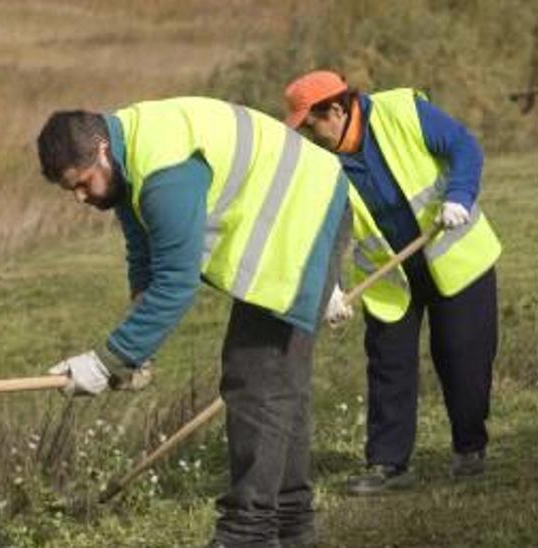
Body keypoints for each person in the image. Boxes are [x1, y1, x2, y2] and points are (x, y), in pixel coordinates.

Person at [35, 97, 350, 547]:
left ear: (101, 149)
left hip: (304, 215)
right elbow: (145, 254)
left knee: (256, 376)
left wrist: (108, 361)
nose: (83, 197)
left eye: (82, 184)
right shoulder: (129, 156)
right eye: (73, 192)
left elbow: (176, 283)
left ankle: (248, 532)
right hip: (305, 205)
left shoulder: (164, 172)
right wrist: (134, 355)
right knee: (280, 382)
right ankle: (290, 525)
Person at [283, 71, 500, 495]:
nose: (308, 134)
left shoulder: (402, 111)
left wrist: (459, 195)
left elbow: (463, 147)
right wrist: (329, 288)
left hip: (454, 254)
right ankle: (388, 463)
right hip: (390, 278)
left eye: (312, 123)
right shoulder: (319, 163)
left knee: (461, 356)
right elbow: (320, 231)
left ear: (338, 110)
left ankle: (469, 448)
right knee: (388, 366)